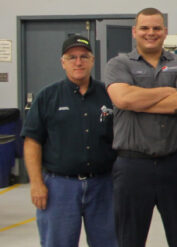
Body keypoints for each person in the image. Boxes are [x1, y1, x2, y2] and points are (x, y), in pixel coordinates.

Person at [105, 8, 177, 247]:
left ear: (165, 32)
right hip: (132, 166)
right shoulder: (118, 64)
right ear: (134, 31)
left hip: (176, 164)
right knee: (130, 240)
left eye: (156, 28)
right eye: (145, 28)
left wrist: (139, 102)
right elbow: (123, 99)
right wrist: (169, 92)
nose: (151, 33)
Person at [22, 35, 116, 247]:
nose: (78, 62)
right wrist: (36, 183)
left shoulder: (109, 95)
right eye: (72, 57)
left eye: (84, 56)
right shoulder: (47, 97)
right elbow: (32, 142)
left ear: (92, 60)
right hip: (59, 187)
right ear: (62, 62)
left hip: (104, 186)